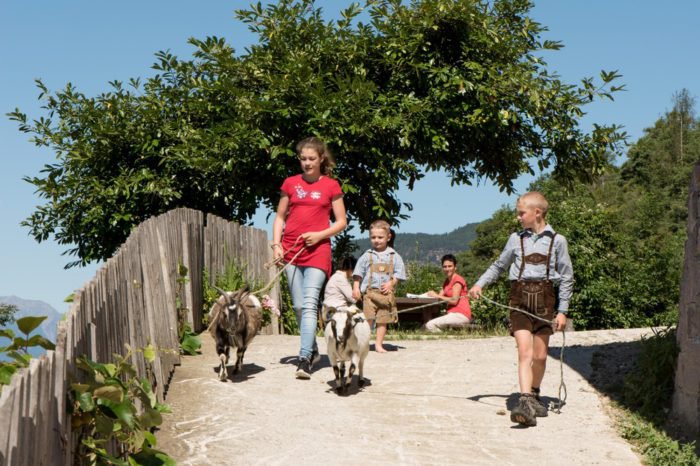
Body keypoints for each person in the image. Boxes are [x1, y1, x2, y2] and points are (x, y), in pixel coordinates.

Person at [468, 191, 573, 427]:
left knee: (540, 356)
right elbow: (498, 266)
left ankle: (534, 393)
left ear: (537, 213)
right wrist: (479, 284)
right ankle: (524, 402)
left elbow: (567, 277)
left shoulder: (558, 241)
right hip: (519, 300)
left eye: (521, 213)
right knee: (524, 352)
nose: (518, 217)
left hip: (545, 301)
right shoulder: (515, 240)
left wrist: (562, 310)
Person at [272, 137, 347, 380]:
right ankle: (313, 349)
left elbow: (341, 222)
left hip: (318, 251)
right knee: (298, 306)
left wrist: (319, 235)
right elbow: (280, 217)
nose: (306, 163)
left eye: (311, 159)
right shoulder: (290, 183)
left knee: (309, 301)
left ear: (321, 158)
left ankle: (304, 358)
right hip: (291, 251)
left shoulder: (331, 186)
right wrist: (276, 245)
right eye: (303, 159)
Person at [352, 220, 406, 353]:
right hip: (369, 294)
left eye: (380, 237)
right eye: (373, 237)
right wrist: (356, 287)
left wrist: (391, 283)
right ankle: (363, 344)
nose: (376, 240)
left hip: (385, 295)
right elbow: (358, 273)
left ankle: (378, 344)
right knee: (368, 319)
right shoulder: (367, 255)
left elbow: (399, 273)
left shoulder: (395, 256)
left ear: (388, 237)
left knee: (383, 320)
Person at [424, 254, 473, 332]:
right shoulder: (446, 282)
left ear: (455, 267)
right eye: (445, 266)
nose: (447, 269)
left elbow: (454, 300)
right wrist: (429, 295)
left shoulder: (458, 280)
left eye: (450, 266)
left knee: (430, 325)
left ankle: (445, 338)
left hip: (461, 314)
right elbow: (439, 297)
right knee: (425, 326)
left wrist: (436, 295)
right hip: (452, 314)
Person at [322, 256, 358, 324]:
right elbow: (353, 299)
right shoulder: (341, 279)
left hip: (331, 309)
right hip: (336, 310)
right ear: (350, 268)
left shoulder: (336, 277)